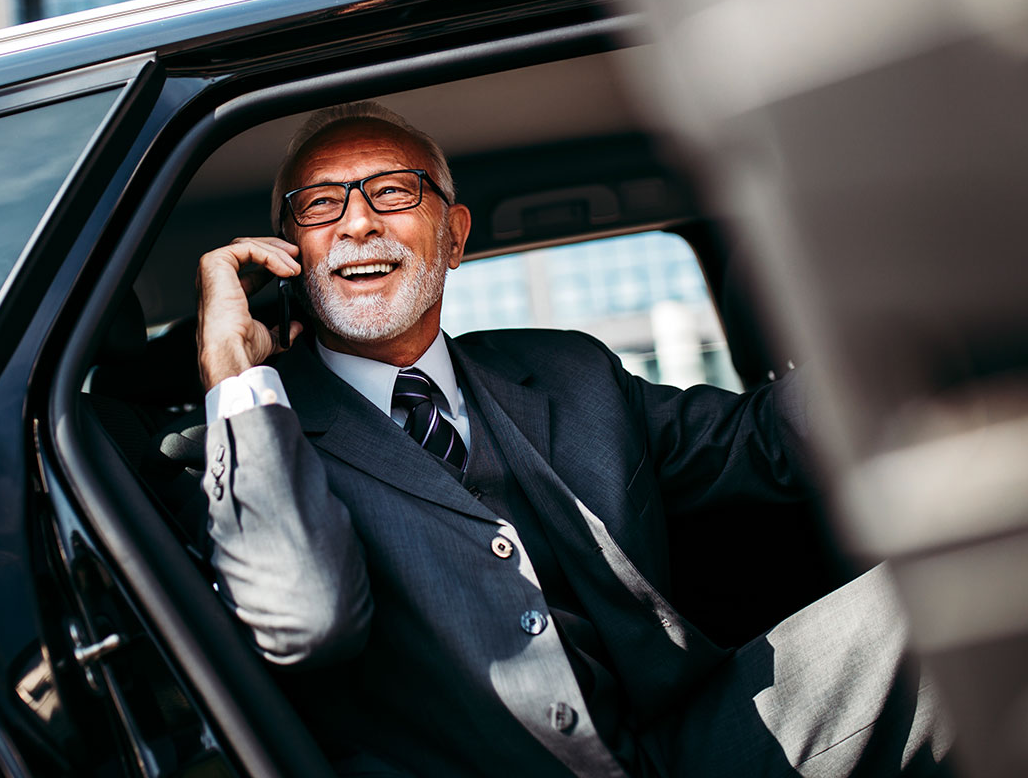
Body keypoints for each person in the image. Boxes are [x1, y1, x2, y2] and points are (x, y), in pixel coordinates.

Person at [193, 102, 950, 777]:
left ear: (453, 238)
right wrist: (234, 375)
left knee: (967, 585)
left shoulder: (566, 370)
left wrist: (931, 309)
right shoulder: (261, 431)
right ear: (291, 252)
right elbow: (305, 619)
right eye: (321, 205)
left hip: (689, 747)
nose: (358, 222)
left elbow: (763, 439)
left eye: (393, 192)